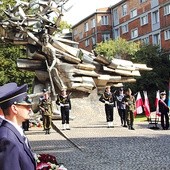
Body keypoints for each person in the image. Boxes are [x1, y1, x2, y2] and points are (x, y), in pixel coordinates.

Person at [0, 82, 36, 170]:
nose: (30, 109)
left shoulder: (13, 131)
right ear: (14, 109)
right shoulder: (8, 140)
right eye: (26, 106)